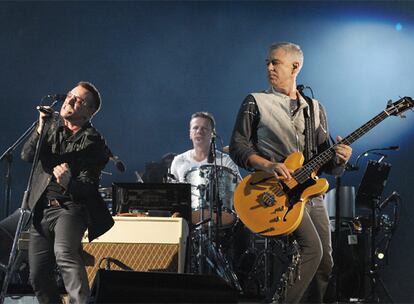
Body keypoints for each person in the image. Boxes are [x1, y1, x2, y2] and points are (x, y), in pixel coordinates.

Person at [229, 42, 352, 303]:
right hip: (274, 193)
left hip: (310, 194)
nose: (269, 67)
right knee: (312, 250)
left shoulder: (315, 108)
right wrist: (269, 165)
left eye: (275, 62)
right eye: (267, 63)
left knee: (324, 264)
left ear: (296, 66)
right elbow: (238, 147)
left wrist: (339, 158)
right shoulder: (256, 101)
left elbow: (326, 161)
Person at [21, 81, 114, 304]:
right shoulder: (50, 125)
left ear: (89, 112)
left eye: (78, 100)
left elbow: (88, 189)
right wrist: (40, 128)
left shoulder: (93, 141)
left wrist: (68, 183)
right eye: (70, 95)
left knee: (65, 254)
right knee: (37, 275)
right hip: (41, 207)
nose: (69, 100)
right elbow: (27, 155)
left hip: (70, 208)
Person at [169, 112, 241, 226]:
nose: (199, 131)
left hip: (219, 217)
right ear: (190, 134)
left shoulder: (226, 161)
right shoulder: (179, 161)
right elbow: (172, 194)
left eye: (204, 128)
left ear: (213, 134)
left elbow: (239, 190)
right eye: (195, 128)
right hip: (187, 220)